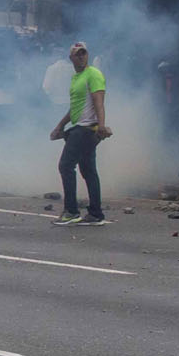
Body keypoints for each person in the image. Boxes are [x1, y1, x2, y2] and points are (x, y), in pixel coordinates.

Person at [52, 41, 108, 225]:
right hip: (79, 127)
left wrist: (101, 125)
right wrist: (60, 125)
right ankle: (95, 213)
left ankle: (71, 211)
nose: (82, 56)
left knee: (66, 165)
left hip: (86, 129)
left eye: (84, 53)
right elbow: (75, 107)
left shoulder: (93, 74)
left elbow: (98, 101)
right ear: (71, 58)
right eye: (78, 54)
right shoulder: (77, 78)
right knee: (88, 170)